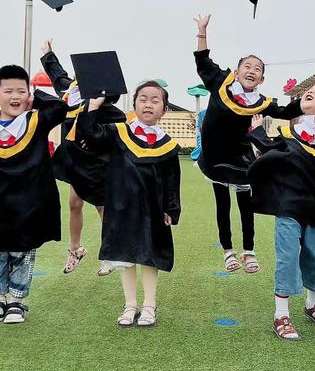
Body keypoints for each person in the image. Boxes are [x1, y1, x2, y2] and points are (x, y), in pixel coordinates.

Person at [193, 14, 303, 273]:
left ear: (262, 79)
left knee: (246, 204)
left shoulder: (262, 102)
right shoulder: (220, 83)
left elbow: (287, 111)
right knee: (222, 203)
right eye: (248, 66)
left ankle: (249, 251)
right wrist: (202, 32)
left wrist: (307, 100)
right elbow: (203, 62)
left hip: (240, 156)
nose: (252, 71)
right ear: (237, 70)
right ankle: (228, 251)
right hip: (214, 155)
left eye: (258, 69)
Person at [78, 80, 181, 327]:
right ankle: (130, 305)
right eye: (143, 99)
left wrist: (171, 208)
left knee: (150, 255)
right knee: (125, 255)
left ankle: (149, 306)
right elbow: (90, 136)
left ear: (164, 109)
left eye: (155, 100)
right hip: (122, 205)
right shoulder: (117, 133)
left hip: (152, 208)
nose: (148, 104)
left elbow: (172, 179)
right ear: (134, 104)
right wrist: (92, 107)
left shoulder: (167, 144)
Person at [245, 83, 315, 340]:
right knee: (287, 258)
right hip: (289, 206)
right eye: (310, 88)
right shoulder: (289, 133)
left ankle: (312, 305)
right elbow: (269, 150)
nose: (311, 89)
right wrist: (256, 131)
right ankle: (281, 315)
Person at [41, 39, 126, 275]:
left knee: (101, 206)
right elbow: (58, 76)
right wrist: (49, 54)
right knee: (74, 203)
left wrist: (99, 103)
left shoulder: (103, 103)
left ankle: (110, 252)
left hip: (98, 163)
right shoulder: (71, 93)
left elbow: (114, 129)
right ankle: (75, 249)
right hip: (75, 159)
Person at [0, 64, 67, 323]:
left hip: (29, 203)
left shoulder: (35, 121)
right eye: (8, 91)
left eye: (21, 91)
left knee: (22, 252)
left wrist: (36, 97)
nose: (15, 97)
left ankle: (16, 301)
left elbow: (60, 109)